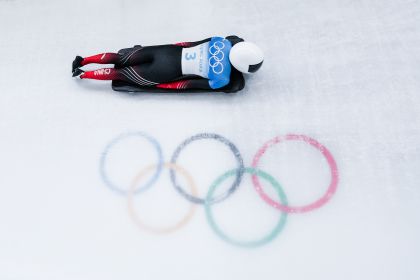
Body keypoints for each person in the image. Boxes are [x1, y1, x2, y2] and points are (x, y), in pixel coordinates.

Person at [72, 35, 263, 92]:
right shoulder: (221, 78)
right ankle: (83, 74)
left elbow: (189, 44)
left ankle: (83, 60)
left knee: (120, 58)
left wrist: (168, 47)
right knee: (122, 75)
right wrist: (162, 85)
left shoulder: (220, 41)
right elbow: (188, 85)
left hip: (167, 51)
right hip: (164, 71)